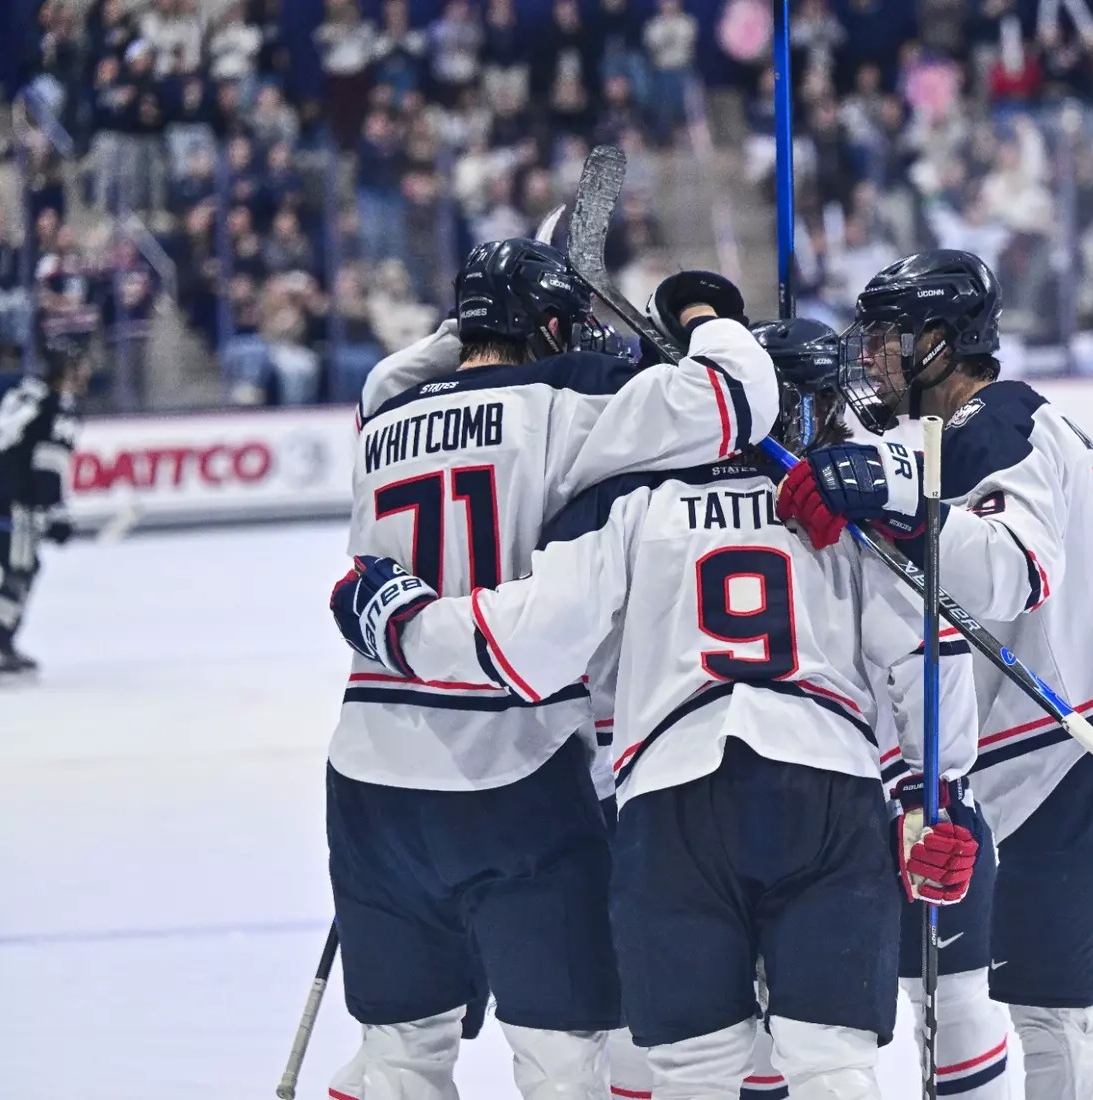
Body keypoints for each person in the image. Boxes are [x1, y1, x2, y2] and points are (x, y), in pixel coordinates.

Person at [332, 314, 982, 1100]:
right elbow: (928, 650)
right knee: (832, 1066)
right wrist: (933, 795)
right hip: (826, 791)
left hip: (671, 803)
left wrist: (403, 623)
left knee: (692, 1074)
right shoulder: (849, 508)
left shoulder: (628, 499)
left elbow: (528, 646)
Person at [318, 240, 778, 1100]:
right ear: (555, 329)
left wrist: (478, 316)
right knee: (563, 1062)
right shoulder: (575, 401)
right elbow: (743, 397)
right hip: (518, 774)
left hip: (370, 776)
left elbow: (410, 371)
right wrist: (700, 316)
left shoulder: (380, 412)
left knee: (398, 1058)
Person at [774, 250, 1093, 1100]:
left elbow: (1015, 570)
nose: (871, 358)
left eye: (888, 339)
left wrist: (900, 496)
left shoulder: (986, 426)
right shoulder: (1016, 423)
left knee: (1057, 1023)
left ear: (940, 343)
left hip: (1079, 758)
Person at [0, 339, 87, 680]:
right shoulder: (59, 406)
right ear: (68, 371)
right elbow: (47, 464)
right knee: (22, 569)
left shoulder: (21, 392)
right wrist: (55, 512)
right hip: (12, 501)